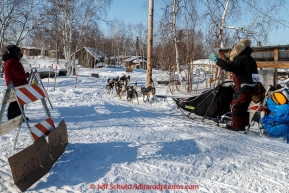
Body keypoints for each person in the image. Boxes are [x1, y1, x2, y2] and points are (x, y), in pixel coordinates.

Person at [208, 38, 260, 131]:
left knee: (235, 106)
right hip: (252, 88)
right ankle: (243, 124)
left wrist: (217, 60)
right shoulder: (250, 59)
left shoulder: (241, 58)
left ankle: (236, 125)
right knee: (243, 107)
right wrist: (254, 84)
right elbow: (254, 75)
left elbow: (230, 66)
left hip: (243, 88)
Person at [2, 45, 29, 120]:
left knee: (20, 101)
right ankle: (12, 117)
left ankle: (19, 117)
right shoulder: (12, 61)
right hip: (16, 84)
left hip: (16, 84)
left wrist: (20, 56)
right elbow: (18, 74)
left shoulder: (11, 60)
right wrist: (27, 75)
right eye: (18, 52)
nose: (19, 53)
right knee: (15, 102)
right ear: (14, 53)